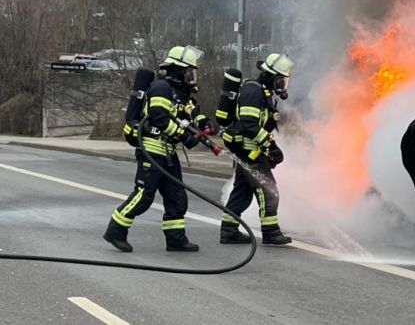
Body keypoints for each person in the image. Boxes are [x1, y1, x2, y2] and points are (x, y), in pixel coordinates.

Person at [104, 46, 214, 253]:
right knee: (143, 196)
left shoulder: (183, 95)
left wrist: (206, 123)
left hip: (168, 153)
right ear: (178, 70)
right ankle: (115, 231)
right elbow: (159, 118)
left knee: (177, 197)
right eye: (189, 71)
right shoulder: (162, 88)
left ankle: (175, 239)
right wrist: (183, 136)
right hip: (152, 150)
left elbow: (193, 115)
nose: (192, 75)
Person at [218, 53, 293, 245]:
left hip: (250, 152)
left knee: (242, 193)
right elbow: (249, 124)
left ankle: (228, 229)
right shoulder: (253, 91)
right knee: (269, 191)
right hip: (249, 152)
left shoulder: (263, 92)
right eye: (280, 80)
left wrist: (268, 149)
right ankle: (270, 232)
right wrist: (271, 146)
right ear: (270, 76)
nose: (283, 84)